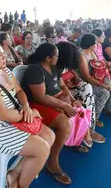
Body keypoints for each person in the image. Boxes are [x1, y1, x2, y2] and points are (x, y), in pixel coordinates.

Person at [0, 43, 54, 187]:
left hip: (16, 118)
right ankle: (21, 185)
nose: (4, 57)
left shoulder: (5, 71)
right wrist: (26, 114)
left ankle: (15, 173)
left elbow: (19, 91)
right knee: (42, 150)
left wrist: (27, 107)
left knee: (50, 136)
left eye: (3, 54)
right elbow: (3, 115)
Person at [22, 43, 82, 185]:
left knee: (75, 109)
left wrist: (72, 100)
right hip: (35, 106)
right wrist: (63, 104)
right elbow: (40, 97)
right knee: (64, 122)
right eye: (56, 55)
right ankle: (52, 162)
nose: (58, 58)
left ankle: (76, 138)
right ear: (48, 58)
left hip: (53, 99)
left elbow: (62, 85)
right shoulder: (35, 70)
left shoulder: (54, 67)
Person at [56, 41, 105, 145]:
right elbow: (59, 86)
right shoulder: (55, 66)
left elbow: (71, 74)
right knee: (83, 95)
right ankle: (86, 129)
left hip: (68, 87)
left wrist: (76, 80)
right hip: (59, 93)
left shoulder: (66, 64)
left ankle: (88, 126)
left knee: (87, 87)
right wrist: (70, 96)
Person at [79, 34, 111, 124]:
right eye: (95, 43)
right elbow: (87, 77)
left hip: (96, 77)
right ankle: (93, 118)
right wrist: (103, 85)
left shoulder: (92, 52)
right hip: (85, 82)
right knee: (104, 92)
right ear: (90, 45)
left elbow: (100, 68)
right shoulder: (82, 56)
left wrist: (107, 80)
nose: (97, 45)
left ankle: (109, 109)